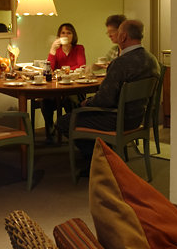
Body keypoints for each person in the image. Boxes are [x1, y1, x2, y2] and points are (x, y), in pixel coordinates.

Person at [57, 19, 159, 169]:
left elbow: (105, 99)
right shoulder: (152, 60)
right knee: (79, 113)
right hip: (138, 118)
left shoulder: (120, 63)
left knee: (64, 121)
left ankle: (99, 161)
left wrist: (86, 103)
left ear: (123, 36)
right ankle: (105, 153)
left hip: (116, 118)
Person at [42, 23, 86, 143]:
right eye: (63, 33)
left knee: (70, 99)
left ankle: (73, 131)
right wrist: (52, 50)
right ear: (59, 36)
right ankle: (50, 132)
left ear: (73, 35)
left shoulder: (79, 48)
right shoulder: (57, 50)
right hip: (57, 89)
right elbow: (49, 69)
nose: (66, 35)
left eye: (69, 33)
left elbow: (81, 66)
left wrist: (63, 70)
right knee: (45, 100)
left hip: (74, 88)